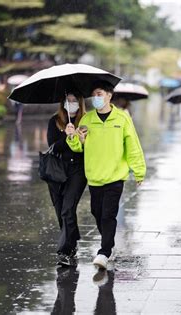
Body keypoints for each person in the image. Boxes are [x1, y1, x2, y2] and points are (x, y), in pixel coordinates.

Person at [66, 80, 146, 270]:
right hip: (94, 176)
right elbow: (78, 148)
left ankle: (105, 251)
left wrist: (139, 170)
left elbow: (133, 145)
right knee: (97, 212)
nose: (96, 98)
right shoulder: (86, 120)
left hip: (116, 175)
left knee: (108, 214)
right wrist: (72, 137)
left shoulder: (122, 118)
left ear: (110, 96)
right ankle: (108, 243)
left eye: (100, 94)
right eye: (94, 94)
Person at [47, 92, 88, 267]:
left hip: (78, 171)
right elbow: (53, 146)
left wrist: (80, 138)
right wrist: (66, 136)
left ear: (80, 103)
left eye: (74, 101)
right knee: (60, 212)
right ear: (63, 103)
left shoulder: (86, 121)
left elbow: (90, 149)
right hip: (56, 172)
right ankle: (72, 238)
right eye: (68, 101)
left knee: (67, 209)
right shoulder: (54, 121)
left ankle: (65, 251)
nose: (71, 104)